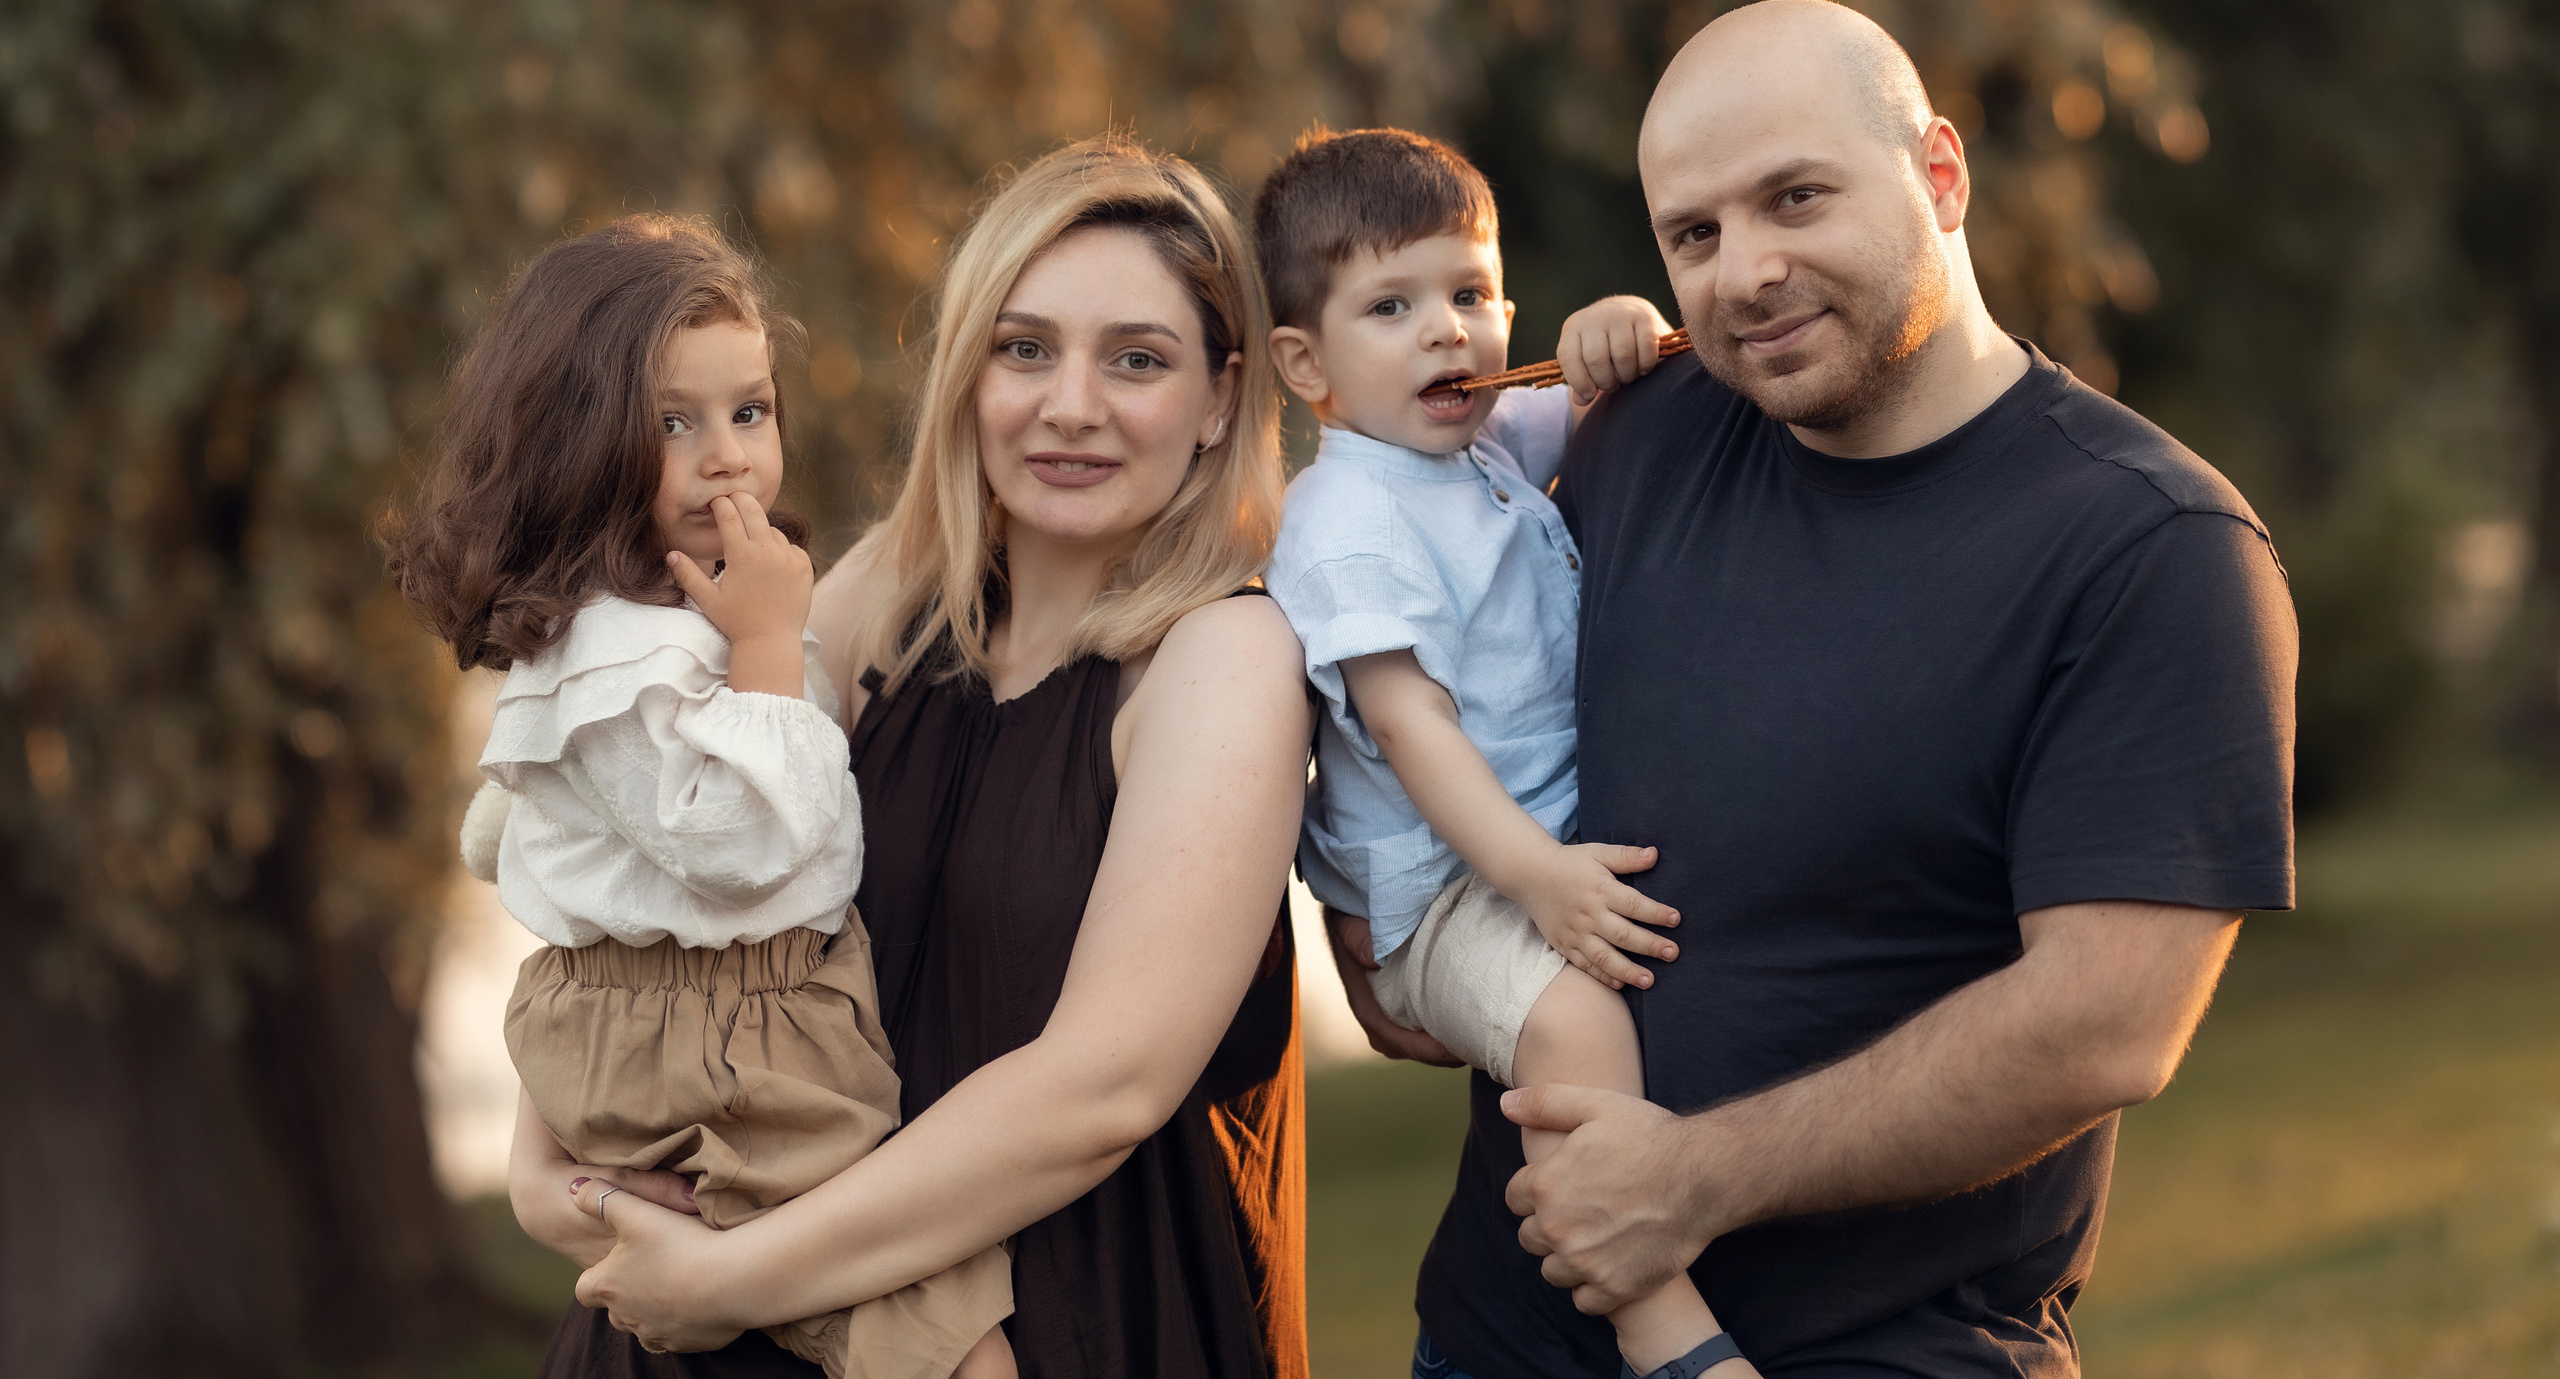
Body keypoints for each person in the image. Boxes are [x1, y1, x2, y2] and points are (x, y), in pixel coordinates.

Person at [1328, 0, 2299, 1376]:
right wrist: (1387, 926)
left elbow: (2105, 1024)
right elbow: (1410, 646)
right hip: (1498, 1336)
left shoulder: (2149, 548)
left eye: (1796, 197)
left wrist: (1693, 1180)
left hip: (1882, 1350)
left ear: (1940, 175)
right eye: (1694, 234)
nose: (1745, 273)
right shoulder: (1634, 438)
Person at [507, 138, 1317, 1379]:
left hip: (1054, 1324)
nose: (1070, 405)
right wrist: (546, 1163)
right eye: (1024, 348)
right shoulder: (885, 598)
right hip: (717, 1327)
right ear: (966, 372)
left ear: (1222, 397)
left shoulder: (1224, 658)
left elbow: (1101, 1088)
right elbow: (651, 853)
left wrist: (734, 1278)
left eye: (1137, 360)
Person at [384, 218, 1015, 1379]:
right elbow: (740, 845)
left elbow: (518, 822)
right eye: (674, 424)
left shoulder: (635, 625)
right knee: (945, 1333)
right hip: (719, 1040)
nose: (726, 457)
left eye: (750, 412)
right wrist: (772, 646)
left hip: (696, 1025)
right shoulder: (626, 655)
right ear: (577, 444)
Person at [1255, 127, 1754, 1379]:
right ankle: (1658, 1322)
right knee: (1573, 1023)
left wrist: (1622, 328)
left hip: (1527, 854)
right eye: (1392, 307)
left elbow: (1594, 404)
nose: (1448, 333)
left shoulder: (1478, 450)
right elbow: (1410, 731)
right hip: (1445, 893)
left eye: (1470, 294)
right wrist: (1537, 878)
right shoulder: (1349, 517)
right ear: (1305, 364)